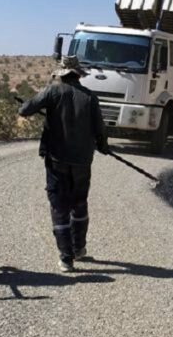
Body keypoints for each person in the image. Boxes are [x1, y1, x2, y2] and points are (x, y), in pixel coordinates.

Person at [18, 55, 109, 272]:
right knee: (79, 203)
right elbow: (100, 130)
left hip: (57, 160)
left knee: (59, 206)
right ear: (78, 74)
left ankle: (66, 258)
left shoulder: (52, 91)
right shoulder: (90, 97)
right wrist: (104, 146)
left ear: (61, 74)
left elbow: (25, 110)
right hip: (82, 162)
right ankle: (79, 248)